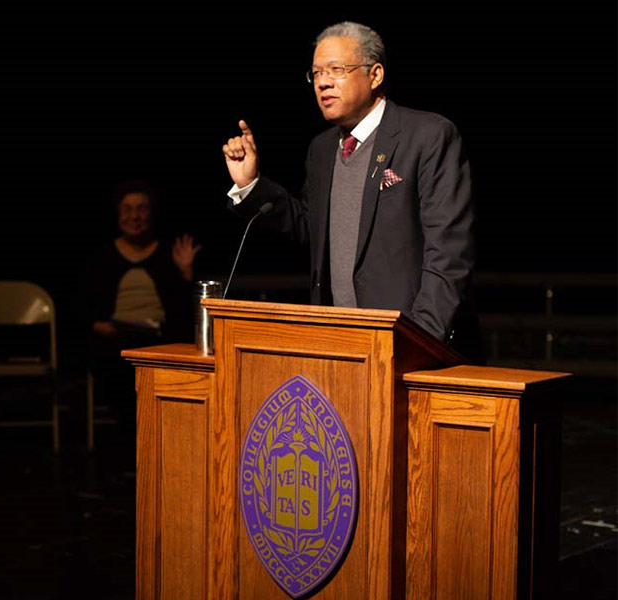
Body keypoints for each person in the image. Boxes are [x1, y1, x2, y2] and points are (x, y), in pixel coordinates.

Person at [222, 21, 480, 360]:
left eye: (336, 70)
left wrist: (419, 343)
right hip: (340, 347)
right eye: (315, 74)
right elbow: (311, 228)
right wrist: (250, 184)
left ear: (374, 75)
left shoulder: (428, 136)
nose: (323, 82)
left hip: (408, 348)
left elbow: (449, 254)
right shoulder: (321, 149)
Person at [79, 180, 201, 433]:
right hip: (114, 342)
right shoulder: (101, 257)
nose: (134, 216)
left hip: (157, 340)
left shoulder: (169, 254)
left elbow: (181, 312)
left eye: (141, 209)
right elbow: (82, 307)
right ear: (118, 214)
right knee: (117, 371)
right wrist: (98, 326)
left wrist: (185, 273)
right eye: (128, 209)